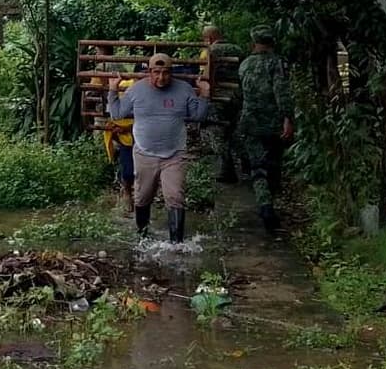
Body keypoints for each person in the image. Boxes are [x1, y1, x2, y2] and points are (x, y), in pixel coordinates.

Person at [109, 54, 211, 242]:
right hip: (144, 153)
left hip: (174, 154)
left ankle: (176, 245)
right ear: (149, 72)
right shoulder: (136, 90)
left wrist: (204, 94)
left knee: (175, 197)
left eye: (165, 73)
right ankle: (143, 238)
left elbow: (198, 116)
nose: (161, 77)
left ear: (171, 73)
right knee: (142, 197)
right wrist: (113, 91)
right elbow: (117, 113)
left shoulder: (184, 89)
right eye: (156, 73)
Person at [236, 26, 294, 232]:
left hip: (250, 122)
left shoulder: (245, 64)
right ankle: (270, 205)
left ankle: (265, 205)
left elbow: (240, 95)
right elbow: (282, 91)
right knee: (274, 166)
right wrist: (288, 118)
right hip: (273, 124)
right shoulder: (277, 63)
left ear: (254, 42)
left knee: (257, 167)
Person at [200, 25, 247, 183]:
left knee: (216, 132)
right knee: (234, 130)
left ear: (209, 39)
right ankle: (248, 163)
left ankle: (227, 169)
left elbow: (205, 75)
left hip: (218, 97)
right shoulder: (238, 49)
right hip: (237, 95)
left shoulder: (209, 52)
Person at [94, 45, 136, 214]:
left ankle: (127, 191)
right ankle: (126, 191)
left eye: (97, 52)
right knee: (128, 165)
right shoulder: (122, 70)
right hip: (128, 130)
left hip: (135, 131)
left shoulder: (101, 67)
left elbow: (94, 88)